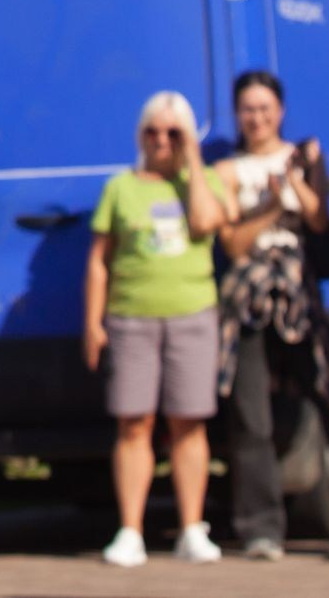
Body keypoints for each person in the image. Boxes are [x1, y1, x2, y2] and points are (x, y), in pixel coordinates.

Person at [214, 69, 329, 560]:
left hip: (300, 291)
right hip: (250, 296)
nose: (256, 117)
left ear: (280, 110)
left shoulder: (304, 156)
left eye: (264, 108)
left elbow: (319, 220)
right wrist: (275, 204)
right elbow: (233, 243)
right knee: (250, 414)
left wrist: (298, 181)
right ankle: (260, 526)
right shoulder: (229, 171)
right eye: (248, 109)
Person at [84, 90, 228, 568]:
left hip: (192, 315)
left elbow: (209, 223)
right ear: (140, 134)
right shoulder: (121, 187)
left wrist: (192, 160)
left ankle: (191, 527)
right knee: (134, 423)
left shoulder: (203, 181)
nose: (161, 140)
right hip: (132, 318)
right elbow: (99, 261)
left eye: (173, 132)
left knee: (188, 423)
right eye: (153, 131)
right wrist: (93, 322)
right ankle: (130, 530)